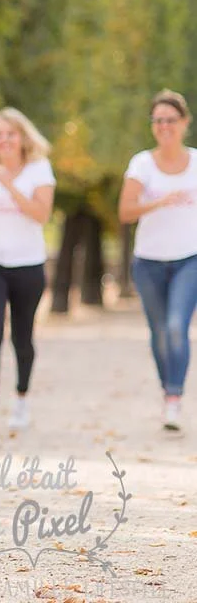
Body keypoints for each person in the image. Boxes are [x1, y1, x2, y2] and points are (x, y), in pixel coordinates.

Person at [0, 108, 54, 432]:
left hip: (27, 264)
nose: (3, 140)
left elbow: (41, 214)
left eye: (10, 134)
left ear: (22, 137)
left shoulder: (39, 170)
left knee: (22, 335)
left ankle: (21, 398)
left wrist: (10, 185)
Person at [118, 90, 197, 432]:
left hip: (189, 260)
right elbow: (125, 212)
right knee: (159, 332)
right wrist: (159, 201)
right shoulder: (141, 164)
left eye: (171, 120)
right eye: (158, 120)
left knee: (178, 327)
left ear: (185, 123)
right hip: (148, 262)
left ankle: (174, 399)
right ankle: (167, 387)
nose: (165, 126)